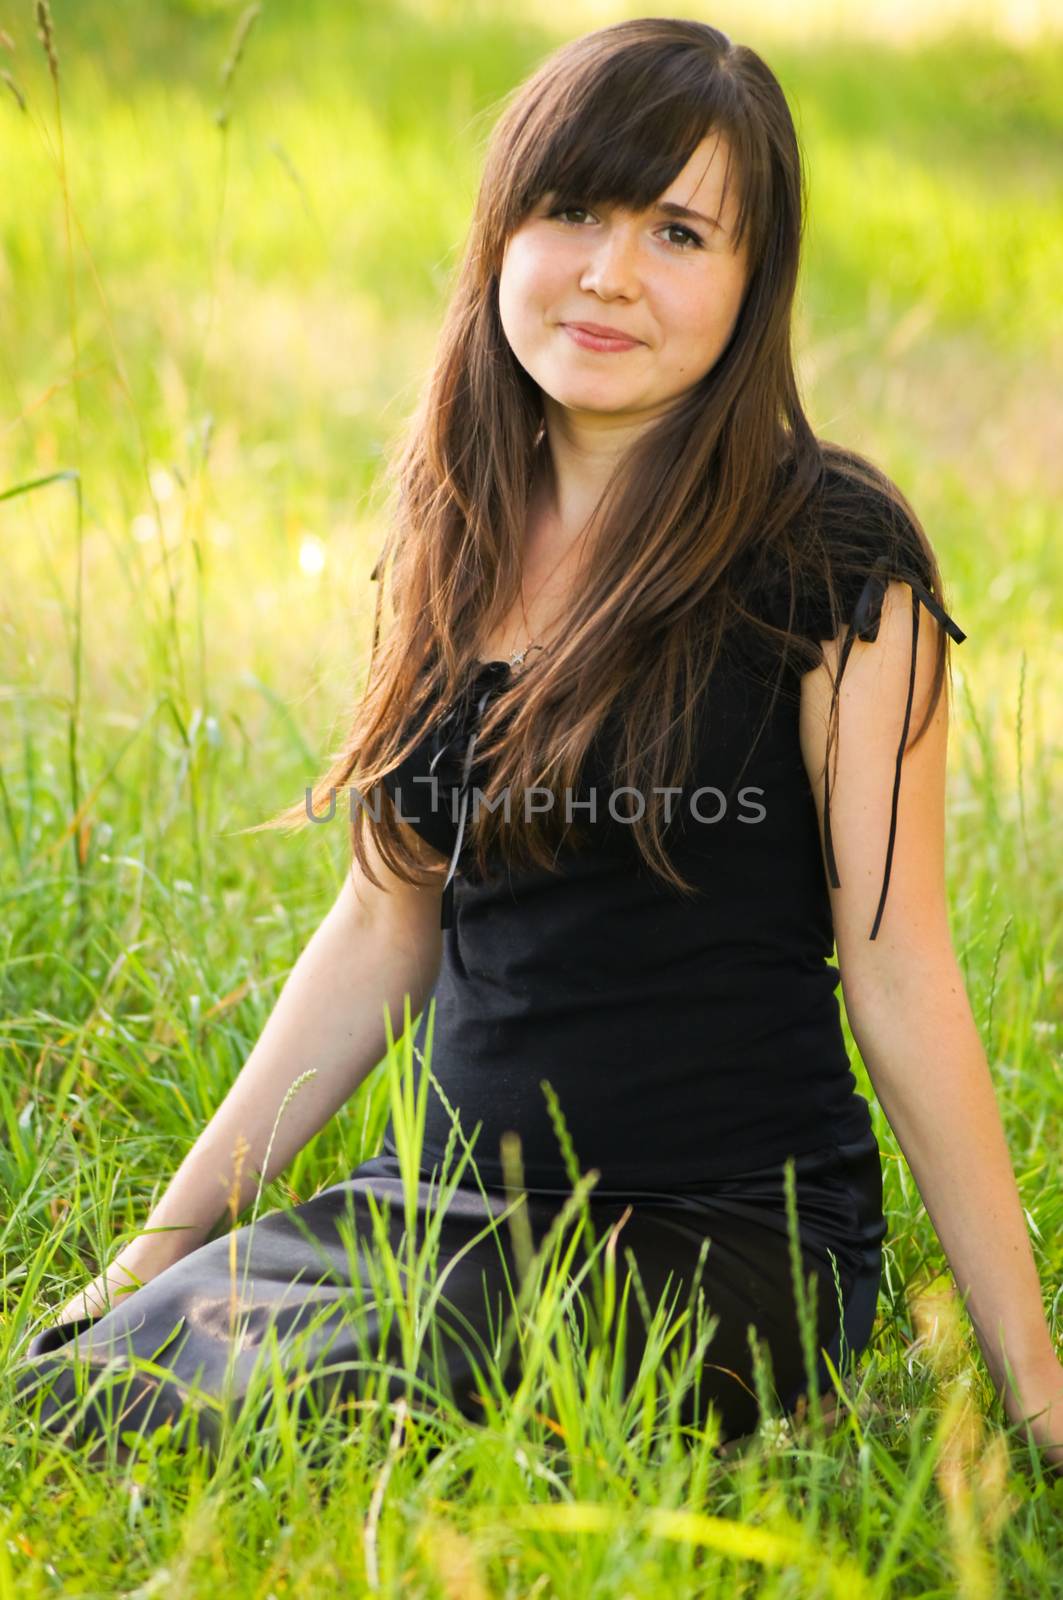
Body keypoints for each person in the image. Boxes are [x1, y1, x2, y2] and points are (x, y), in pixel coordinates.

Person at [15, 17, 1062, 1471]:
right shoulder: (454, 528)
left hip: (719, 1230)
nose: (609, 273)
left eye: (680, 231)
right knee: (77, 1394)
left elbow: (903, 976)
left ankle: (784, 1380)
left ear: (755, 283)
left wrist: (1037, 1390)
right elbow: (383, 930)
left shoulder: (832, 562)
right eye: (571, 211)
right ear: (503, 231)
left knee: (333, 1424)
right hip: (433, 1206)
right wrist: (161, 1245)